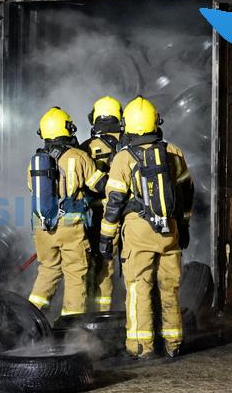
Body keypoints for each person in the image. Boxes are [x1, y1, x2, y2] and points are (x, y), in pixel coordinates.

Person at [99, 96, 194, 359]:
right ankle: (174, 344)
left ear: (127, 125)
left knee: (139, 288)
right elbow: (187, 192)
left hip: (138, 230)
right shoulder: (173, 152)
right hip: (170, 229)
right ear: (156, 121)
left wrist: (107, 238)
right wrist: (183, 225)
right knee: (169, 287)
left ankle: (142, 348)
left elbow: (114, 203)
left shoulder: (123, 159)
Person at [27, 107, 108, 318]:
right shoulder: (79, 157)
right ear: (68, 129)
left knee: (47, 271)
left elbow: (32, 189)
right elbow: (99, 186)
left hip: (42, 227)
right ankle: (70, 326)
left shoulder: (34, 162)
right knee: (75, 275)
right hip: (70, 226)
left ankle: (31, 315)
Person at [80, 96, 123, 312]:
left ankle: (97, 314)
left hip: (98, 216)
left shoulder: (87, 147)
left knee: (100, 265)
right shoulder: (130, 143)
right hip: (129, 214)